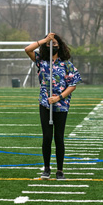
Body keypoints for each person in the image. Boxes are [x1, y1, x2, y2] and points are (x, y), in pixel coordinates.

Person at [24, 33, 81, 179]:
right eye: (50, 43)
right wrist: (44, 40)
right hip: (45, 103)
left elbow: (73, 84)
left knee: (59, 137)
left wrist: (59, 97)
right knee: (47, 137)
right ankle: (47, 168)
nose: (52, 45)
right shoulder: (41, 61)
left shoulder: (66, 64)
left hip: (61, 105)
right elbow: (27, 49)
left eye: (55, 43)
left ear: (59, 45)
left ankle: (60, 170)